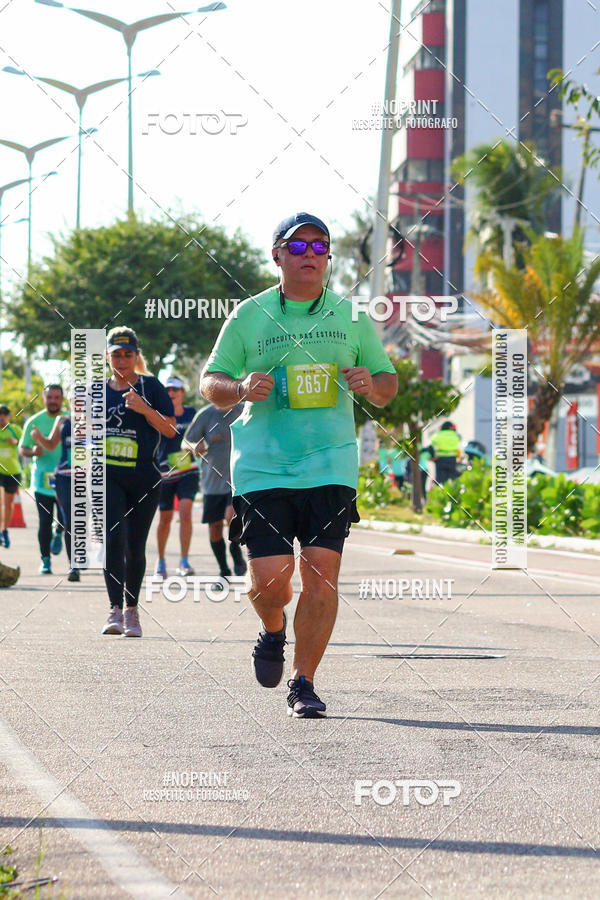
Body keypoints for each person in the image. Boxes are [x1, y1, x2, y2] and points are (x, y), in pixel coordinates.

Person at [200, 212, 397, 718]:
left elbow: (387, 385)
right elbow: (211, 382)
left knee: (321, 575)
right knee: (269, 582)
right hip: (263, 467)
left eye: (320, 246)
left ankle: (303, 682)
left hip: (330, 465)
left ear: (328, 257)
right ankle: (272, 629)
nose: (311, 254)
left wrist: (369, 386)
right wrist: (240, 389)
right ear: (278, 255)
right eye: (299, 245)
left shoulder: (351, 317)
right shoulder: (249, 315)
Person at [101, 327, 175, 638]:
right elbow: (82, 433)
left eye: (127, 354)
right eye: (116, 354)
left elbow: (171, 430)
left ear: (136, 356)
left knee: (135, 545)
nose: (121, 360)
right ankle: (114, 610)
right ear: (107, 356)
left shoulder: (152, 386)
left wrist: (144, 409)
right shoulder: (96, 390)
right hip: (108, 475)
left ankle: (132, 611)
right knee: (113, 541)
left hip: (144, 476)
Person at [182, 401, 246, 583]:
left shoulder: (242, 410)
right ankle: (223, 568)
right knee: (215, 528)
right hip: (212, 482)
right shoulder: (205, 415)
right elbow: (185, 442)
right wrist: (193, 447)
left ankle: (236, 552)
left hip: (237, 480)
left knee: (230, 517)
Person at [155, 376, 199, 578]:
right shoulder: (159, 414)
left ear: (182, 392)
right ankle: (161, 561)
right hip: (165, 473)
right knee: (165, 519)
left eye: (175, 389)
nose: (171, 393)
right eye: (168, 389)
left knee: (185, 512)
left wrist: (199, 446)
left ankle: (184, 561)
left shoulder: (191, 413)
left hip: (188, 470)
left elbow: (201, 436)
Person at [19, 385, 65, 574]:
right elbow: (23, 448)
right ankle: (45, 560)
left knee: (66, 519)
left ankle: (59, 531)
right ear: (44, 399)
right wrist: (33, 451)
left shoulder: (69, 418)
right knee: (44, 521)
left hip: (65, 478)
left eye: (57, 397)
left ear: (62, 399)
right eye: (50, 397)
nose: (53, 401)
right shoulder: (34, 421)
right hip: (42, 480)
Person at [31, 413, 79, 581]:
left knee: (85, 519)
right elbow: (51, 445)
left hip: (89, 475)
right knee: (70, 520)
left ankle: (63, 535)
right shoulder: (63, 420)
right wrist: (39, 437)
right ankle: (73, 565)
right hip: (65, 475)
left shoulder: (98, 418)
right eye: (75, 399)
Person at [0, 405, 23, 548]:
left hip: (13, 471)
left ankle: (5, 530)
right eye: (0, 414)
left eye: (5, 414)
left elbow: (25, 445)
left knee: (8, 504)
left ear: (8, 416)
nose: (2, 417)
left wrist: (16, 442)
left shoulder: (15, 430)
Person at [430, 421, 461, 485]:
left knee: (440, 479)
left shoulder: (438, 435)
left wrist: (433, 457)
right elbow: (458, 448)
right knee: (452, 478)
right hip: (452, 459)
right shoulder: (456, 435)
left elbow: (432, 446)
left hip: (440, 460)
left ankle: (440, 492)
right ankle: (451, 493)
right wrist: (458, 457)